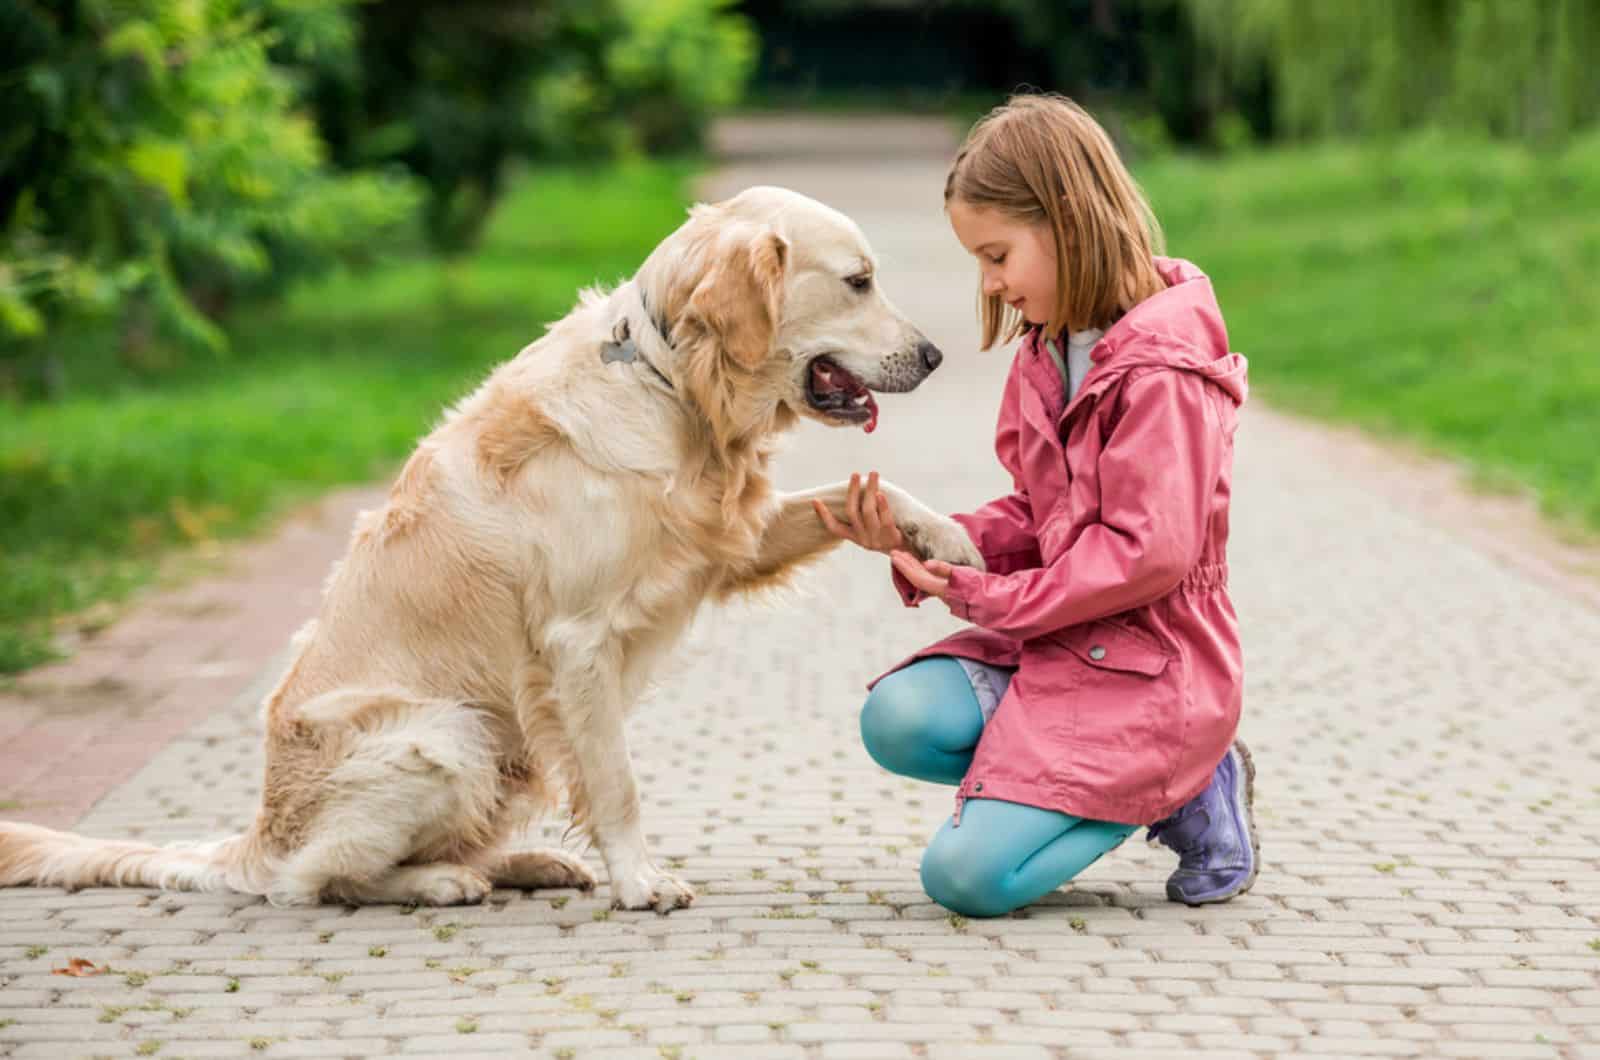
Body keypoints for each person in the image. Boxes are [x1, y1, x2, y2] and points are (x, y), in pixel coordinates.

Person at [814, 93, 1257, 918]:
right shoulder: (1048, 354)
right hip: (1065, 643)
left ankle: (1187, 779)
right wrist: (934, 542)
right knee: (898, 719)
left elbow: (1144, 556)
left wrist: (986, 597)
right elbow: (1038, 514)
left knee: (965, 880)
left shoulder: (1163, 376)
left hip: (1155, 671)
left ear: (1067, 219)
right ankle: (1112, 780)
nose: (988, 283)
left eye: (997, 255)